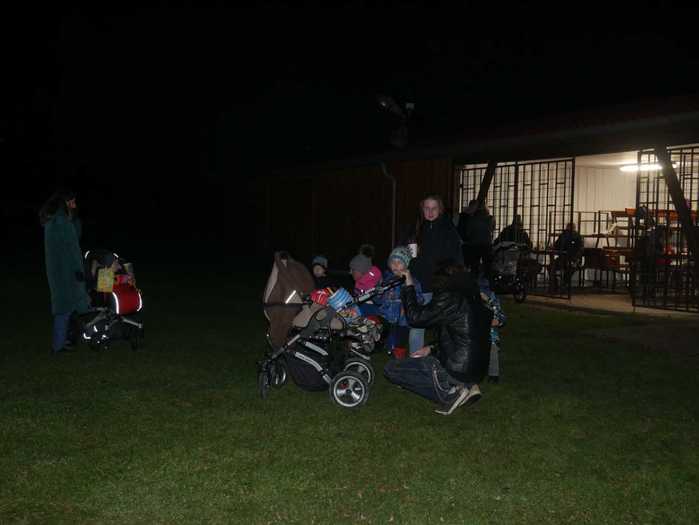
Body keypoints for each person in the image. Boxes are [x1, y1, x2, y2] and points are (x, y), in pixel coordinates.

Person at [384, 262, 492, 416]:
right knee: (421, 363)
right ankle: (466, 386)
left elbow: (415, 318)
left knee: (391, 368)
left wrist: (409, 285)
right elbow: (464, 337)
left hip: (456, 368)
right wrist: (430, 348)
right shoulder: (476, 300)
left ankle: (449, 394)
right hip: (477, 370)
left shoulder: (450, 298)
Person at [405, 194, 464, 352]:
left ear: (440, 210)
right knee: (417, 325)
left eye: (434, 208)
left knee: (445, 326)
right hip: (421, 286)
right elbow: (407, 255)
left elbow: (457, 259)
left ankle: (445, 357)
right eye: (427, 208)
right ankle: (415, 359)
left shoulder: (448, 230)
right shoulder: (417, 229)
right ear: (422, 209)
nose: (430, 212)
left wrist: (456, 280)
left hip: (442, 286)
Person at [39, 189, 91, 354]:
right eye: (72, 202)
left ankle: (62, 343)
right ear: (65, 203)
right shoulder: (62, 221)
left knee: (65, 308)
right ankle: (62, 344)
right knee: (71, 307)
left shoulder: (53, 221)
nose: (75, 205)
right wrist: (78, 270)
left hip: (58, 271)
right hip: (66, 272)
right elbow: (73, 248)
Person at [375, 246, 424, 357]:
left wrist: (409, 288)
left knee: (400, 343)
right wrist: (379, 293)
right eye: (393, 262)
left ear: (406, 264)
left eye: (399, 262)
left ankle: (398, 358)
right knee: (388, 339)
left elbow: (419, 300)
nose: (395, 265)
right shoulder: (386, 279)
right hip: (386, 317)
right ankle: (388, 347)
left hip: (403, 320)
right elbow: (377, 299)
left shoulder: (413, 281)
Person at [478, 276, 506, 383]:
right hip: (476, 334)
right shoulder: (473, 301)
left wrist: (498, 321)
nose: (483, 295)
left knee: (493, 347)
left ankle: (493, 375)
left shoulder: (494, 301)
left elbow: (502, 317)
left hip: (491, 335)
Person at [459, 199, 495, 276]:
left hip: (474, 244)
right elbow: (492, 229)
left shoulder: (471, 219)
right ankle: (488, 280)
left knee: (474, 266)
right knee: (488, 266)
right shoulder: (491, 218)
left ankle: (474, 280)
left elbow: (468, 232)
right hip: (487, 244)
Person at [550, 222, 583, 291]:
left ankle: (563, 284)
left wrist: (575, 260)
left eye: (570, 228)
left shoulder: (577, 236)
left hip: (572, 259)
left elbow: (580, 250)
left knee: (569, 268)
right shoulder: (563, 235)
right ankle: (556, 284)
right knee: (551, 267)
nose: (569, 229)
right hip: (564, 258)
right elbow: (556, 245)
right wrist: (554, 247)